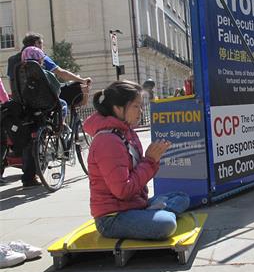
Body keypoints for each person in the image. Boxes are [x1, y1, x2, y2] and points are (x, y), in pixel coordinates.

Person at [83, 81, 190, 240]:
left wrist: (151, 161)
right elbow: (123, 191)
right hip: (113, 218)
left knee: (182, 197)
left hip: (135, 205)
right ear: (117, 108)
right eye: (136, 106)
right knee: (167, 224)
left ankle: (150, 213)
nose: (141, 111)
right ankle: (153, 215)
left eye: (141, 106)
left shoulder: (126, 132)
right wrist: (150, 161)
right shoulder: (107, 141)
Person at [8, 32, 92, 188]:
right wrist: (80, 80)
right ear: (35, 44)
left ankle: (29, 177)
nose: (42, 48)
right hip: (43, 101)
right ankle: (60, 126)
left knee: (29, 138)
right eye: (41, 44)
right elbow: (60, 74)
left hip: (23, 102)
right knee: (62, 106)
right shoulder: (39, 57)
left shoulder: (14, 60)